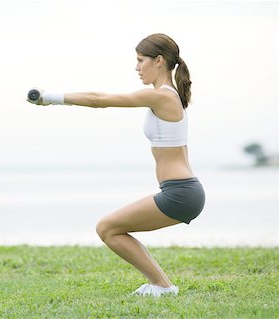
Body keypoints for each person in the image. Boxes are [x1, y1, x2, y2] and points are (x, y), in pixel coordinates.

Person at [26, 33, 205, 297]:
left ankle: (163, 286)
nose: (136, 67)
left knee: (107, 228)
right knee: (111, 228)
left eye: (140, 60)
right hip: (182, 190)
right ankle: (161, 285)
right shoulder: (167, 97)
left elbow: (100, 100)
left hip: (181, 193)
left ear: (158, 61)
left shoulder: (163, 97)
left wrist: (50, 97)